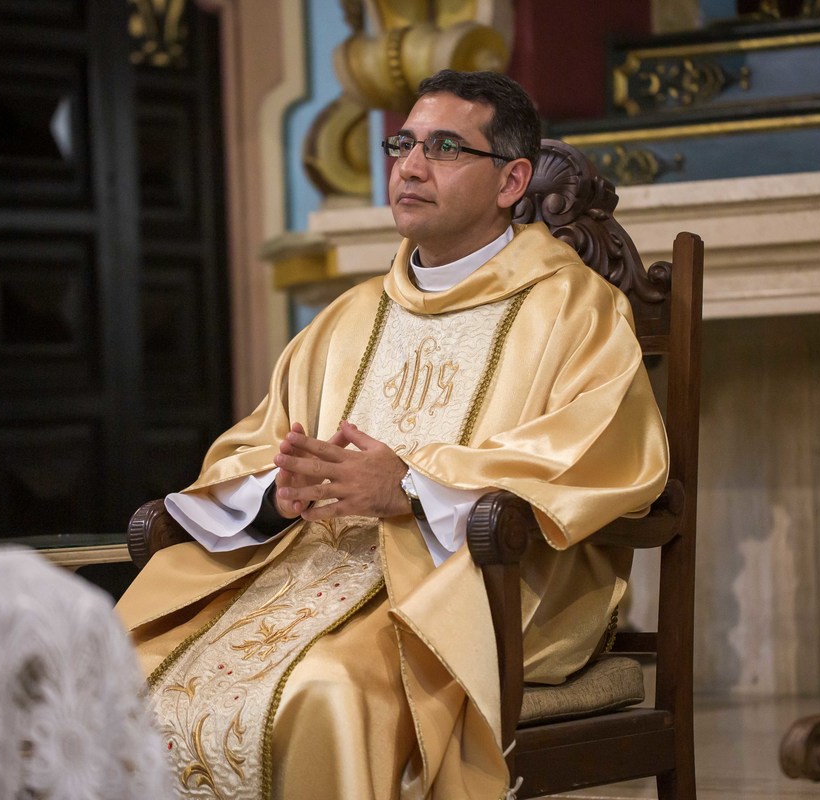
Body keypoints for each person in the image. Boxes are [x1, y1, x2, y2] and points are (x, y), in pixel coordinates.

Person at [115, 69, 668, 800]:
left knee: (324, 690)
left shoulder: (575, 311)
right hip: (306, 575)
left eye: (444, 148)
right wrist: (276, 492)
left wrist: (408, 488)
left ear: (512, 181)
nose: (410, 166)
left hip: (484, 589)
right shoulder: (348, 316)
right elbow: (256, 445)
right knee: (117, 669)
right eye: (402, 145)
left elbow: (599, 459)